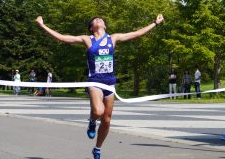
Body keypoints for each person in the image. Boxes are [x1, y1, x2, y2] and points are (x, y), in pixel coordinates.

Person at [35, 14, 164, 159]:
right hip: (95, 82)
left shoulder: (113, 38)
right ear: (91, 28)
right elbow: (63, 38)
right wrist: (42, 25)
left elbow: (136, 34)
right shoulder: (87, 39)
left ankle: (97, 148)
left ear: (105, 26)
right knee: (98, 112)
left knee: (107, 120)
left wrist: (155, 23)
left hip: (110, 83)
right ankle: (91, 121)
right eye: (95, 20)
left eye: (101, 19)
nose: (98, 19)